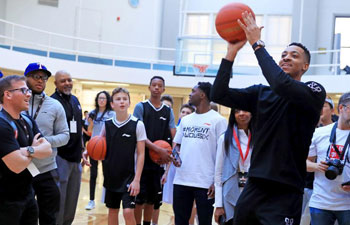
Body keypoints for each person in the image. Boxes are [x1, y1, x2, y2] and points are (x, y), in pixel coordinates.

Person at [211, 12, 326, 225]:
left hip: (286, 188)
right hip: (255, 184)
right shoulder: (260, 93)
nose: (286, 57)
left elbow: (282, 84)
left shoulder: (313, 91)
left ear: (305, 67)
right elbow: (218, 94)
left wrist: (257, 44)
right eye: (284, 54)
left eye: (294, 55)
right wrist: (230, 54)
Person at [83, 87, 146, 225]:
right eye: (118, 99)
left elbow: (141, 154)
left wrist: (137, 179)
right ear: (112, 104)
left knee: (128, 212)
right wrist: (88, 151)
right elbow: (98, 142)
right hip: (111, 174)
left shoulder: (137, 125)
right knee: (112, 211)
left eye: (125, 99)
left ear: (129, 103)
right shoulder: (108, 124)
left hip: (129, 176)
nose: (122, 102)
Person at [172, 82, 227, 225]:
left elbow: (224, 154)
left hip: (206, 182)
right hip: (182, 179)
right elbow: (177, 146)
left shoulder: (219, 120)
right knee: (180, 221)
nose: (190, 94)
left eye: (193, 91)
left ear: (202, 95)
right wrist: (175, 156)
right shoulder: (185, 120)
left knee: (204, 222)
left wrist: (217, 183)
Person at [0, 75, 52, 225]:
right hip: (6, 201)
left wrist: (27, 150)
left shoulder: (27, 119)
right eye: (23, 90)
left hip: (28, 194)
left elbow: (47, 149)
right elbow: (17, 166)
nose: (28, 94)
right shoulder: (2, 125)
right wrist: (35, 150)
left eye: (28, 90)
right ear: (7, 94)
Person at [25, 62, 70, 225]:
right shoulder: (17, 102)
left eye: (44, 78)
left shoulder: (55, 105)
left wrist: (43, 142)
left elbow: (65, 136)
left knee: (49, 216)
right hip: (20, 169)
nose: (40, 81)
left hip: (46, 169)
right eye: (36, 77)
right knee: (24, 216)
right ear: (26, 78)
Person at [133, 76, 176, 225]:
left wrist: (174, 152)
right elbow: (138, 134)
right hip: (142, 159)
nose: (157, 88)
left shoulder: (168, 111)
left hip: (158, 160)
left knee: (152, 199)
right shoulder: (141, 107)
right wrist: (157, 148)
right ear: (149, 87)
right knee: (139, 199)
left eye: (160, 86)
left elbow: (173, 134)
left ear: (163, 89)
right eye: (154, 85)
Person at [306, 92, 350, 225]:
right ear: (341, 108)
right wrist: (316, 166)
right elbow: (302, 162)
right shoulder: (320, 133)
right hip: (321, 202)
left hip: (348, 204)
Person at [51, 70, 83, 225]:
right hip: (60, 158)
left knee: (72, 202)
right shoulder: (51, 102)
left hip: (76, 160)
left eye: (69, 80)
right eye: (62, 81)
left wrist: (82, 150)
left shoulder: (75, 100)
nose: (67, 83)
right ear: (55, 84)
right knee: (59, 203)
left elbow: (79, 130)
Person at [214, 109, 253, 225]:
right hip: (230, 193)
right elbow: (218, 173)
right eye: (237, 111)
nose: (241, 114)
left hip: (252, 193)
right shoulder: (224, 138)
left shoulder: (259, 138)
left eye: (245, 110)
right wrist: (219, 205)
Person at [85, 91, 115, 210]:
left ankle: (107, 198)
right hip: (94, 146)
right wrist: (90, 122)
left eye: (104, 98)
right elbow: (89, 130)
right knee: (93, 174)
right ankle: (91, 200)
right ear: (97, 100)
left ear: (107, 100)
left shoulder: (112, 113)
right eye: (99, 98)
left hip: (106, 147)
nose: (101, 100)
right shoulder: (92, 113)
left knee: (107, 174)